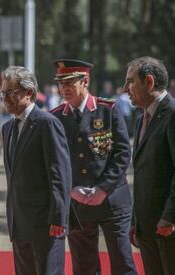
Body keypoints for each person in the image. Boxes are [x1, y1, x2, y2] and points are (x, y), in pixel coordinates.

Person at [51, 59, 136, 275]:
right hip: (77, 204)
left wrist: (103, 188)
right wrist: (71, 189)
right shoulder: (56, 117)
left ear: (85, 81)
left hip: (112, 200)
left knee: (122, 262)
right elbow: (54, 162)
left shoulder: (108, 109)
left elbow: (122, 153)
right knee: (84, 267)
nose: (64, 89)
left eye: (70, 83)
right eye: (61, 84)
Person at [0, 65, 71, 275]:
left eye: (10, 93)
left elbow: (60, 175)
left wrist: (59, 218)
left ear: (28, 93)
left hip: (45, 224)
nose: (4, 98)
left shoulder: (46, 124)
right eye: (2, 93)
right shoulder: (8, 128)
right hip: (19, 222)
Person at [124, 56, 175, 275]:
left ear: (150, 82)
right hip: (147, 227)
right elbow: (143, 174)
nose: (126, 88)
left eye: (131, 81)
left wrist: (170, 216)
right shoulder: (141, 118)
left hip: (167, 227)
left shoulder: (172, 114)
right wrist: (136, 219)